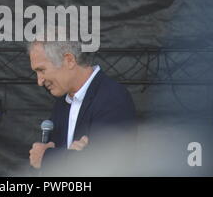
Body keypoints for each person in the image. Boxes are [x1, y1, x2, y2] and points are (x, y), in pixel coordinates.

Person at [28, 28, 136, 173]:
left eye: (42, 70)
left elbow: (108, 165)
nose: (39, 81)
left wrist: (47, 158)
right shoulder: (62, 104)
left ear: (69, 60)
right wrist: (71, 156)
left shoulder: (113, 97)